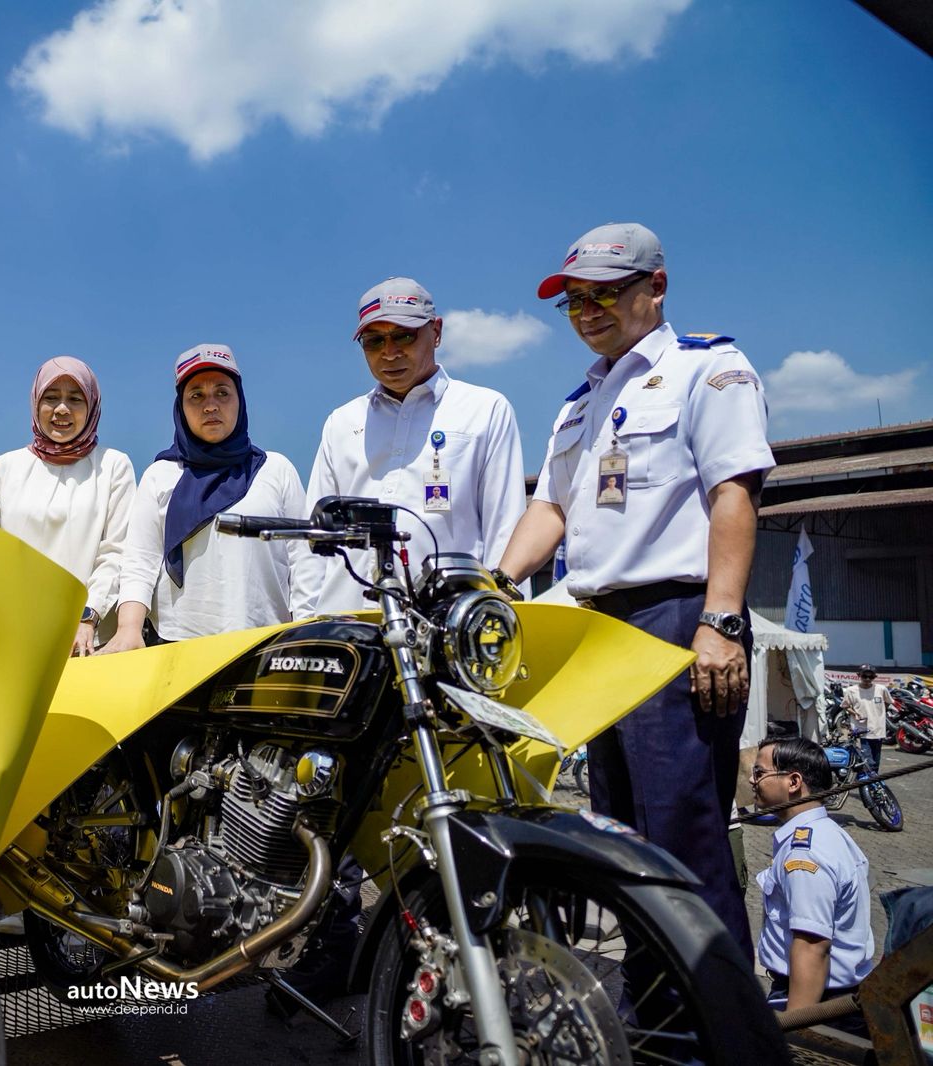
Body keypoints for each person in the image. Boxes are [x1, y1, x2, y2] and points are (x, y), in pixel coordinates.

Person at [495, 222, 774, 956]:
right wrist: (496, 581)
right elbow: (549, 509)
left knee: (682, 835)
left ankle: (715, 1012)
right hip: (598, 630)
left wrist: (722, 620)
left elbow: (734, 494)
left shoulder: (707, 369)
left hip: (674, 621)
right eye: (574, 301)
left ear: (656, 286)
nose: (587, 312)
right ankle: (654, 1004)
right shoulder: (578, 404)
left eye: (604, 294)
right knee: (620, 838)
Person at [306, 277, 525, 612]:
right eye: (373, 341)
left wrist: (498, 618)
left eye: (404, 336)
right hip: (348, 620)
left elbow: (505, 528)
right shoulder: (342, 422)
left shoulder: (485, 410)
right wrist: (307, 620)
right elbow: (315, 537)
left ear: (436, 332)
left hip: (445, 622)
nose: (389, 352)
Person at [102, 345, 316, 652]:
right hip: (177, 646)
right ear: (180, 407)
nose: (210, 406)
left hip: (266, 643)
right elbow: (140, 561)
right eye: (196, 396)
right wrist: (128, 629)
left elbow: (303, 560)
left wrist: (307, 632)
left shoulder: (277, 469)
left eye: (222, 393)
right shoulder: (160, 475)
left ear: (240, 400)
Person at [0, 357, 135, 655]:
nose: (62, 409)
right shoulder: (6, 466)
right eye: (51, 398)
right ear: (35, 402)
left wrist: (88, 616)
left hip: (87, 640)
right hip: (14, 637)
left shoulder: (114, 466)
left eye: (75, 399)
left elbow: (117, 551)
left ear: (92, 406)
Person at [751, 736, 873, 1016]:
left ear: (793, 782)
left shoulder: (805, 854)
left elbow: (812, 948)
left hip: (813, 1001)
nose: (751, 780)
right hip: (830, 997)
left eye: (759, 773)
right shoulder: (826, 832)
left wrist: (797, 1029)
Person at [842, 664, 889, 771]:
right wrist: (855, 713)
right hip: (860, 731)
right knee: (867, 761)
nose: (867, 679)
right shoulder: (851, 690)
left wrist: (878, 714)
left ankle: (873, 780)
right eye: (864, 676)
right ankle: (866, 780)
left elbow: (887, 702)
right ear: (859, 675)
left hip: (878, 730)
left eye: (870, 677)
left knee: (876, 761)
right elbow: (845, 706)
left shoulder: (881, 689)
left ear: (874, 677)